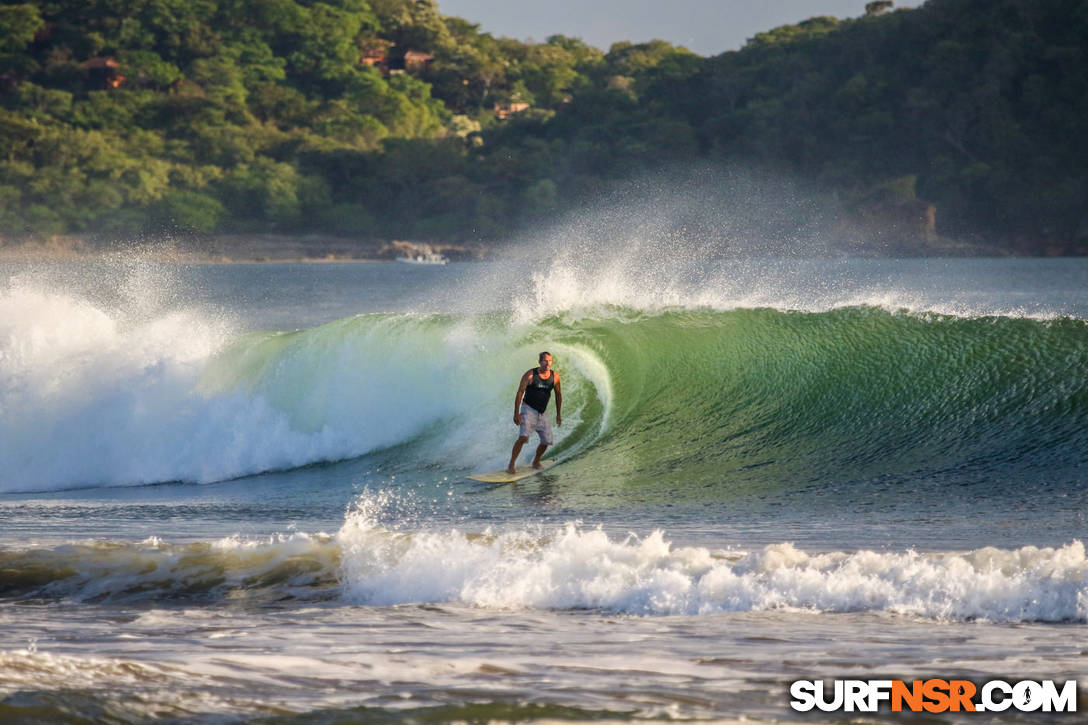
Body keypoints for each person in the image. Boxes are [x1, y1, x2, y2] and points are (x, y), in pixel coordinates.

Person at [507, 351, 562, 473]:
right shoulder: (530, 375)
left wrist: (558, 414)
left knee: (547, 440)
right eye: (545, 361)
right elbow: (520, 392)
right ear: (540, 362)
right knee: (523, 438)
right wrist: (516, 413)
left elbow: (558, 395)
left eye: (550, 361)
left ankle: (536, 461)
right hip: (528, 410)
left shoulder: (555, 377)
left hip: (542, 413)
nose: (548, 363)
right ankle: (511, 464)